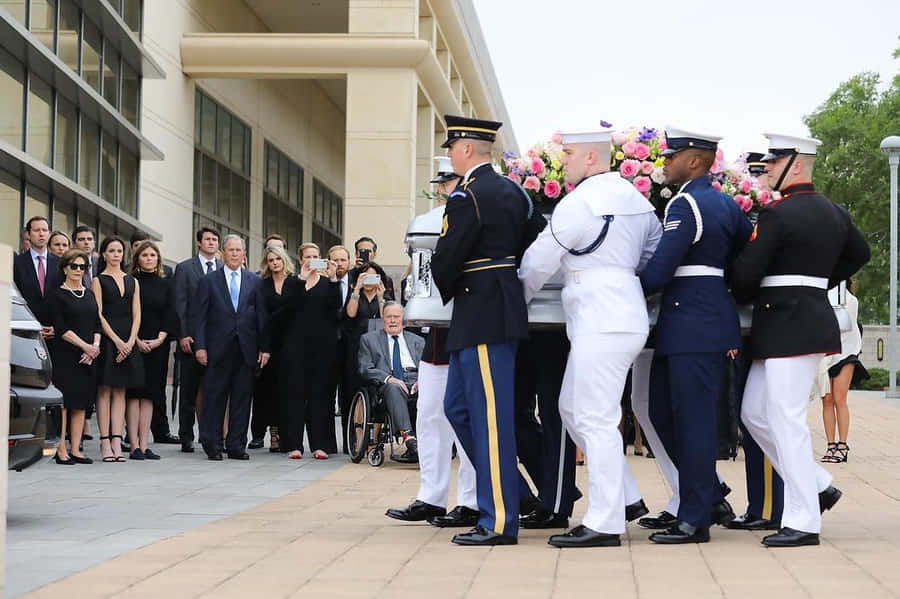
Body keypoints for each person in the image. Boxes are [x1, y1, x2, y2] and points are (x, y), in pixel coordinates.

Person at [519, 127, 659, 547]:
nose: (566, 162)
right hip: (623, 309)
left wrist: (515, 306)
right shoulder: (638, 201)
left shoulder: (579, 203)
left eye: (571, 154)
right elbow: (652, 254)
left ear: (593, 159)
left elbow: (538, 263)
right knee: (570, 408)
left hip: (600, 317)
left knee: (595, 418)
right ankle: (627, 497)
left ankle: (605, 521)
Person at [732, 132, 870, 547]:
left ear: (795, 164)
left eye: (772, 164)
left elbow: (746, 274)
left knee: (786, 419)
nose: (766, 172)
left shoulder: (778, 215)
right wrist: (817, 282)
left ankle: (804, 521)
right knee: (755, 413)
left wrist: (740, 285)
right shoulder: (835, 212)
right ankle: (819, 483)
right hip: (798, 321)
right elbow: (859, 253)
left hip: (788, 323)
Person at [430, 115, 544, 546]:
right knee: (459, 407)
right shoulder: (515, 191)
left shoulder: (467, 195)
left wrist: (434, 283)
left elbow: (447, 254)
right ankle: (513, 497)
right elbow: (537, 236)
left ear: (464, 150)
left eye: (452, 147)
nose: (451, 154)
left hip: (482, 311)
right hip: (491, 309)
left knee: (489, 418)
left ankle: (498, 520)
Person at [639, 126, 751, 544]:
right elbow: (745, 252)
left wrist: (618, 285)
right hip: (698, 319)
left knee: (691, 422)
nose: (664, 164)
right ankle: (706, 496)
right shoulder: (725, 204)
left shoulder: (686, 204)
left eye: (672, 157)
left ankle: (695, 519)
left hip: (692, 324)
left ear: (695, 161)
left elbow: (658, 271)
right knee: (666, 414)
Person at [386, 156, 478, 527]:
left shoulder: (473, 219)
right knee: (429, 417)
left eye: (450, 181)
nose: (445, 188)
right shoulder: (429, 224)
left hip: (468, 328)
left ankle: (472, 499)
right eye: (442, 183)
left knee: (467, 419)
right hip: (436, 339)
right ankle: (431, 496)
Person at [193, 235, 271, 461]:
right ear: (222, 253)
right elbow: (199, 317)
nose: (235, 254)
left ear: (244, 253)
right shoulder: (209, 281)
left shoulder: (254, 281)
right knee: (214, 398)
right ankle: (213, 444)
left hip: (246, 349)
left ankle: (237, 445)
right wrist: (200, 346)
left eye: (239, 250)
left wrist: (264, 348)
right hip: (217, 348)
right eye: (231, 250)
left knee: (241, 398)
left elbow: (262, 317)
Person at [278, 242, 341, 459]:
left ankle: (320, 444)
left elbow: (335, 309)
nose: (311, 259)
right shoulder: (292, 282)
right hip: (295, 347)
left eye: (316, 256)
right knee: (294, 395)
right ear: (300, 259)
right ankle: (294, 444)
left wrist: (333, 279)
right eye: (308, 256)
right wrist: (302, 280)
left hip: (322, 348)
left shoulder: (328, 284)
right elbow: (286, 308)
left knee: (320, 396)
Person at [92, 236, 144, 463]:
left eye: (119, 251)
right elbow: (98, 313)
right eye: (111, 250)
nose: (116, 254)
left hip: (128, 339)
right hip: (108, 339)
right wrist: (115, 340)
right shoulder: (98, 280)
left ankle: (116, 440)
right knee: (104, 391)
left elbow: (137, 313)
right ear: (103, 254)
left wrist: (131, 340)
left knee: (121, 390)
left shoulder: (132, 280)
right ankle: (104, 441)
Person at [47, 249, 101, 465]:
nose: (78, 270)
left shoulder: (88, 294)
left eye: (83, 267)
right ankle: (61, 450)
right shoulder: (57, 294)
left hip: (87, 357)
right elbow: (60, 328)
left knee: (80, 403)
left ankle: (76, 449)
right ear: (65, 268)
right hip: (66, 355)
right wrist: (85, 346)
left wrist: (94, 347)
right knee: (65, 405)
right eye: (74, 266)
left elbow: (97, 323)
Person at [173, 227, 222, 453]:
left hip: (217, 340)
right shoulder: (185, 268)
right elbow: (180, 304)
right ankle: (186, 435)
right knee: (189, 391)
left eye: (214, 240)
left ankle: (209, 435)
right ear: (199, 243)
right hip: (191, 338)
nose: (211, 243)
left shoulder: (223, 268)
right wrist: (183, 333)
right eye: (207, 239)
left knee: (213, 389)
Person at [124, 241, 174, 460]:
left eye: (152, 255)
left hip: (157, 346)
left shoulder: (166, 284)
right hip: (135, 344)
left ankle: (145, 444)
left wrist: (161, 338)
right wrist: (136, 340)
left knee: (151, 395)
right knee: (135, 394)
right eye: (144, 255)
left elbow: (170, 314)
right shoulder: (130, 283)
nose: (149, 258)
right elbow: (126, 314)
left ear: (158, 259)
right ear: (137, 259)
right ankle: (133, 444)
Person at [358, 302, 423, 462]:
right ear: (383, 319)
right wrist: (389, 378)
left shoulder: (418, 341)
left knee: (434, 390)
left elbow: (427, 366)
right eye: (389, 317)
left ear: (403, 319)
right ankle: (409, 439)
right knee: (394, 388)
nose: (393, 321)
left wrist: (423, 380)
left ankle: (436, 442)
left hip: (415, 380)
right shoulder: (369, 339)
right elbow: (365, 368)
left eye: (396, 317)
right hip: (387, 383)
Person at [250, 245, 294, 452]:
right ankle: (269, 434)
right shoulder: (262, 285)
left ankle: (284, 436)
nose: (275, 263)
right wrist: (263, 346)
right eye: (270, 260)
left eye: (278, 259)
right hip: (268, 344)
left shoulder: (295, 282)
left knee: (286, 391)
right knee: (266, 392)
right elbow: (260, 316)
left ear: (284, 259)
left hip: (291, 342)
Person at [817, 281, 867, 463]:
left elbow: (844, 329)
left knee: (839, 399)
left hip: (845, 353)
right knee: (827, 400)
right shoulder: (821, 297)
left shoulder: (851, 301)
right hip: (825, 355)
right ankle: (831, 445)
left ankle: (843, 445)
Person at [325, 244, 356, 452]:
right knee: (326, 395)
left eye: (343, 260)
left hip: (351, 345)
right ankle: (327, 444)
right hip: (327, 345)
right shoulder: (322, 281)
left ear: (349, 261)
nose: (339, 264)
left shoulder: (358, 282)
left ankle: (350, 442)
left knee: (349, 394)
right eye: (335, 260)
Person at [345, 261, 390, 398]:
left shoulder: (384, 297)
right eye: (366, 277)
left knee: (375, 379)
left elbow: (386, 318)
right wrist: (357, 288)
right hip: (357, 341)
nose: (369, 281)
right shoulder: (355, 294)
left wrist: (381, 297)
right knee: (354, 380)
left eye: (373, 277)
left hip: (377, 343)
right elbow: (351, 313)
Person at [14, 216, 60, 340]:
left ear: (49, 234)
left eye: (45, 230)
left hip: (55, 332)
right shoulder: (16, 263)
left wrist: (58, 327)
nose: (41, 234)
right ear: (28, 234)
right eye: (36, 230)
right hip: (25, 332)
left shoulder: (61, 264)